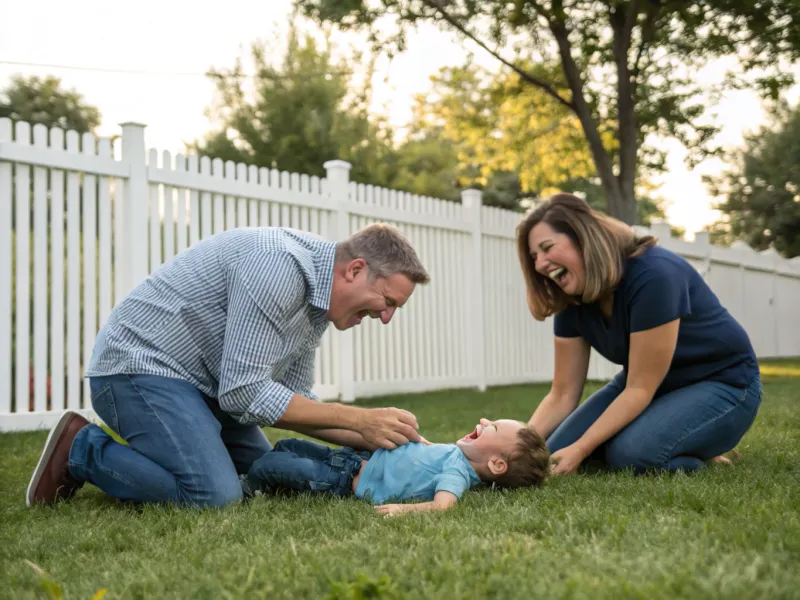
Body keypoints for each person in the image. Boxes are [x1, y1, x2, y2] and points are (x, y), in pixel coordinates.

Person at [27, 223, 431, 508]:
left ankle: (178, 448)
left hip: (206, 387)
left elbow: (290, 402)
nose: (386, 317)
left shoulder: (316, 304)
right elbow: (245, 392)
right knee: (214, 496)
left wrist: (378, 439)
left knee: (263, 473)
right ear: (356, 269)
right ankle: (81, 449)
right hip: (139, 368)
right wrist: (358, 419)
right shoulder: (278, 267)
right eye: (388, 300)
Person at [517, 193, 762, 476]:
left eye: (547, 248)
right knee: (552, 447)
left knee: (631, 454)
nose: (539, 264)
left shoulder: (654, 275)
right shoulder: (570, 298)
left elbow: (639, 388)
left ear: (584, 237)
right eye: (534, 256)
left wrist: (582, 448)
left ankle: (694, 449)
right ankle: (674, 435)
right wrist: (516, 447)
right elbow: (562, 393)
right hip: (648, 388)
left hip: (724, 383)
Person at [239, 418, 549, 516]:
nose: (483, 421)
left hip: (344, 480)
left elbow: (442, 507)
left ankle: (249, 488)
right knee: (290, 446)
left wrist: (403, 510)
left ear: (496, 464)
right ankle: (267, 478)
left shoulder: (458, 475)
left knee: (276, 464)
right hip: (350, 458)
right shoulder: (455, 455)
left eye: (491, 427)